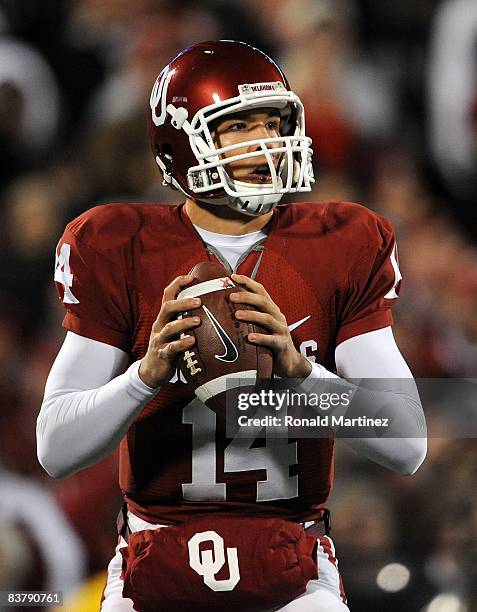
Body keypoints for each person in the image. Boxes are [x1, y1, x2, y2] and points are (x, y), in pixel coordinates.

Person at [37, 40, 427, 611]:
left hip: (294, 566)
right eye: (240, 126)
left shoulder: (341, 242)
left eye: (274, 123)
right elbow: (55, 447)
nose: (266, 142)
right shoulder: (117, 246)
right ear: (180, 139)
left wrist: (302, 374)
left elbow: (407, 441)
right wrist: (144, 377)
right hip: (155, 559)